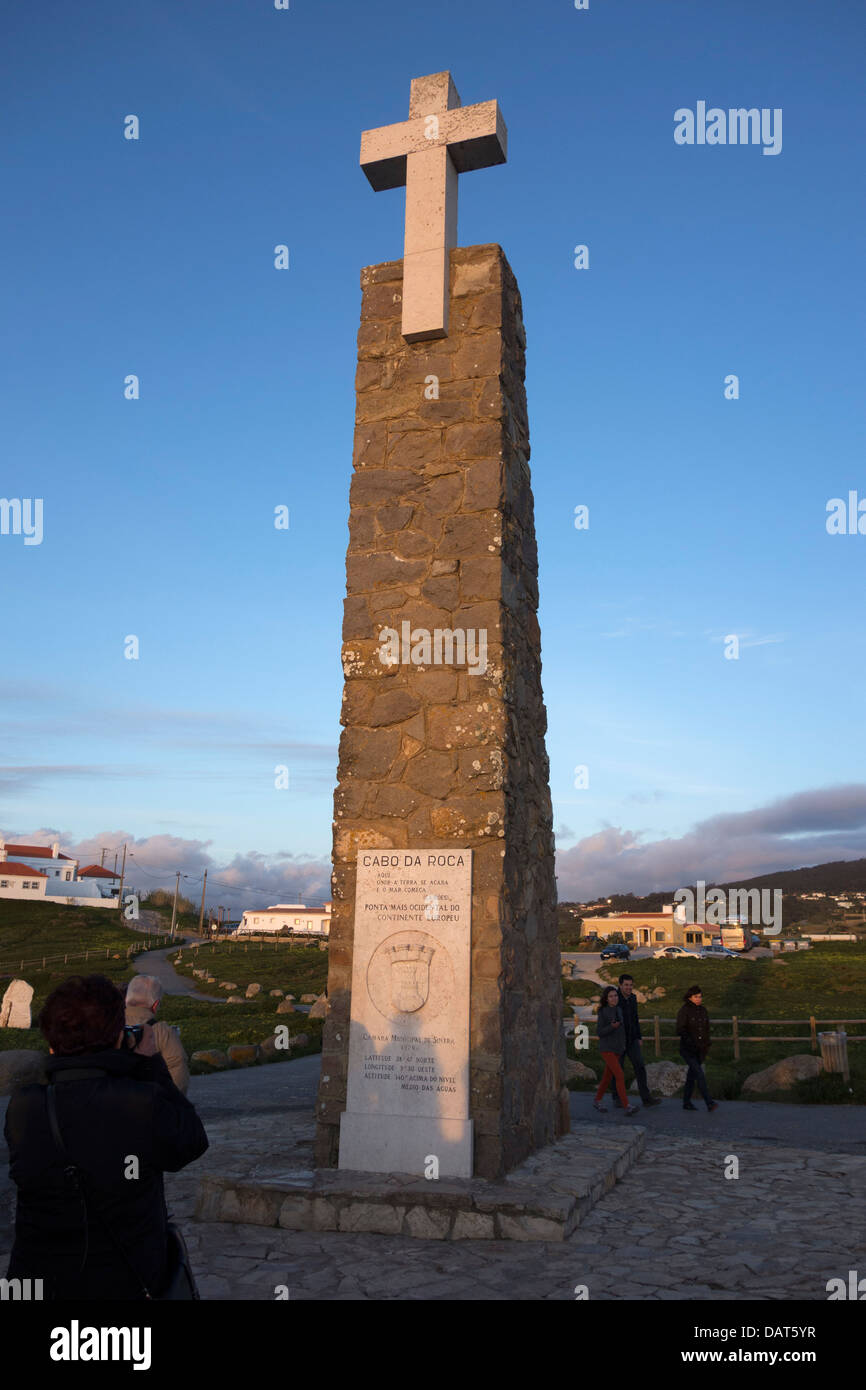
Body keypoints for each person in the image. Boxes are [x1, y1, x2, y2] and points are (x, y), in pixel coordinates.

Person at [4, 973, 208, 1299]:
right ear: (117, 1035)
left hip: (38, 1279)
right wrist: (150, 1063)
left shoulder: (24, 1106)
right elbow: (193, 1141)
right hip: (124, 1280)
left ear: (52, 1040)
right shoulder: (140, 1101)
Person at [125, 974, 190, 1093]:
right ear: (155, 1005)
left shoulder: (110, 1024)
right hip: (149, 1104)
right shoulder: (162, 1031)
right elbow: (178, 1071)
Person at [612, 974, 662, 1107]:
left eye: (630, 985)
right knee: (618, 1069)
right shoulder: (614, 998)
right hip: (618, 1040)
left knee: (640, 1066)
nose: (629, 987)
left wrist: (639, 1037)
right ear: (620, 985)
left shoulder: (633, 998)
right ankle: (617, 1097)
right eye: (626, 985)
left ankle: (646, 1099)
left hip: (632, 1039)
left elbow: (635, 1018)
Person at [593, 986, 640, 1115]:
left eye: (615, 995)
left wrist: (623, 1045)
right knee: (619, 1075)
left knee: (607, 1077)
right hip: (607, 1048)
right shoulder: (603, 1011)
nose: (614, 998)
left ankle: (597, 1100)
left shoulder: (619, 1010)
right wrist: (611, 1027)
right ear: (606, 999)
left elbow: (622, 1029)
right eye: (611, 996)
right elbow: (600, 1032)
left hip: (618, 1049)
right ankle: (627, 1106)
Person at [676, 984, 719, 1113]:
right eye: (696, 997)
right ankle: (709, 1102)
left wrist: (707, 1044)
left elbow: (706, 1029)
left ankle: (686, 1102)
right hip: (688, 1050)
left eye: (700, 996)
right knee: (699, 1074)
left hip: (701, 1050)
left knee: (691, 1076)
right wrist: (690, 1042)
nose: (699, 999)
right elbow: (680, 1029)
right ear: (690, 997)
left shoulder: (703, 1010)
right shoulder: (684, 1011)